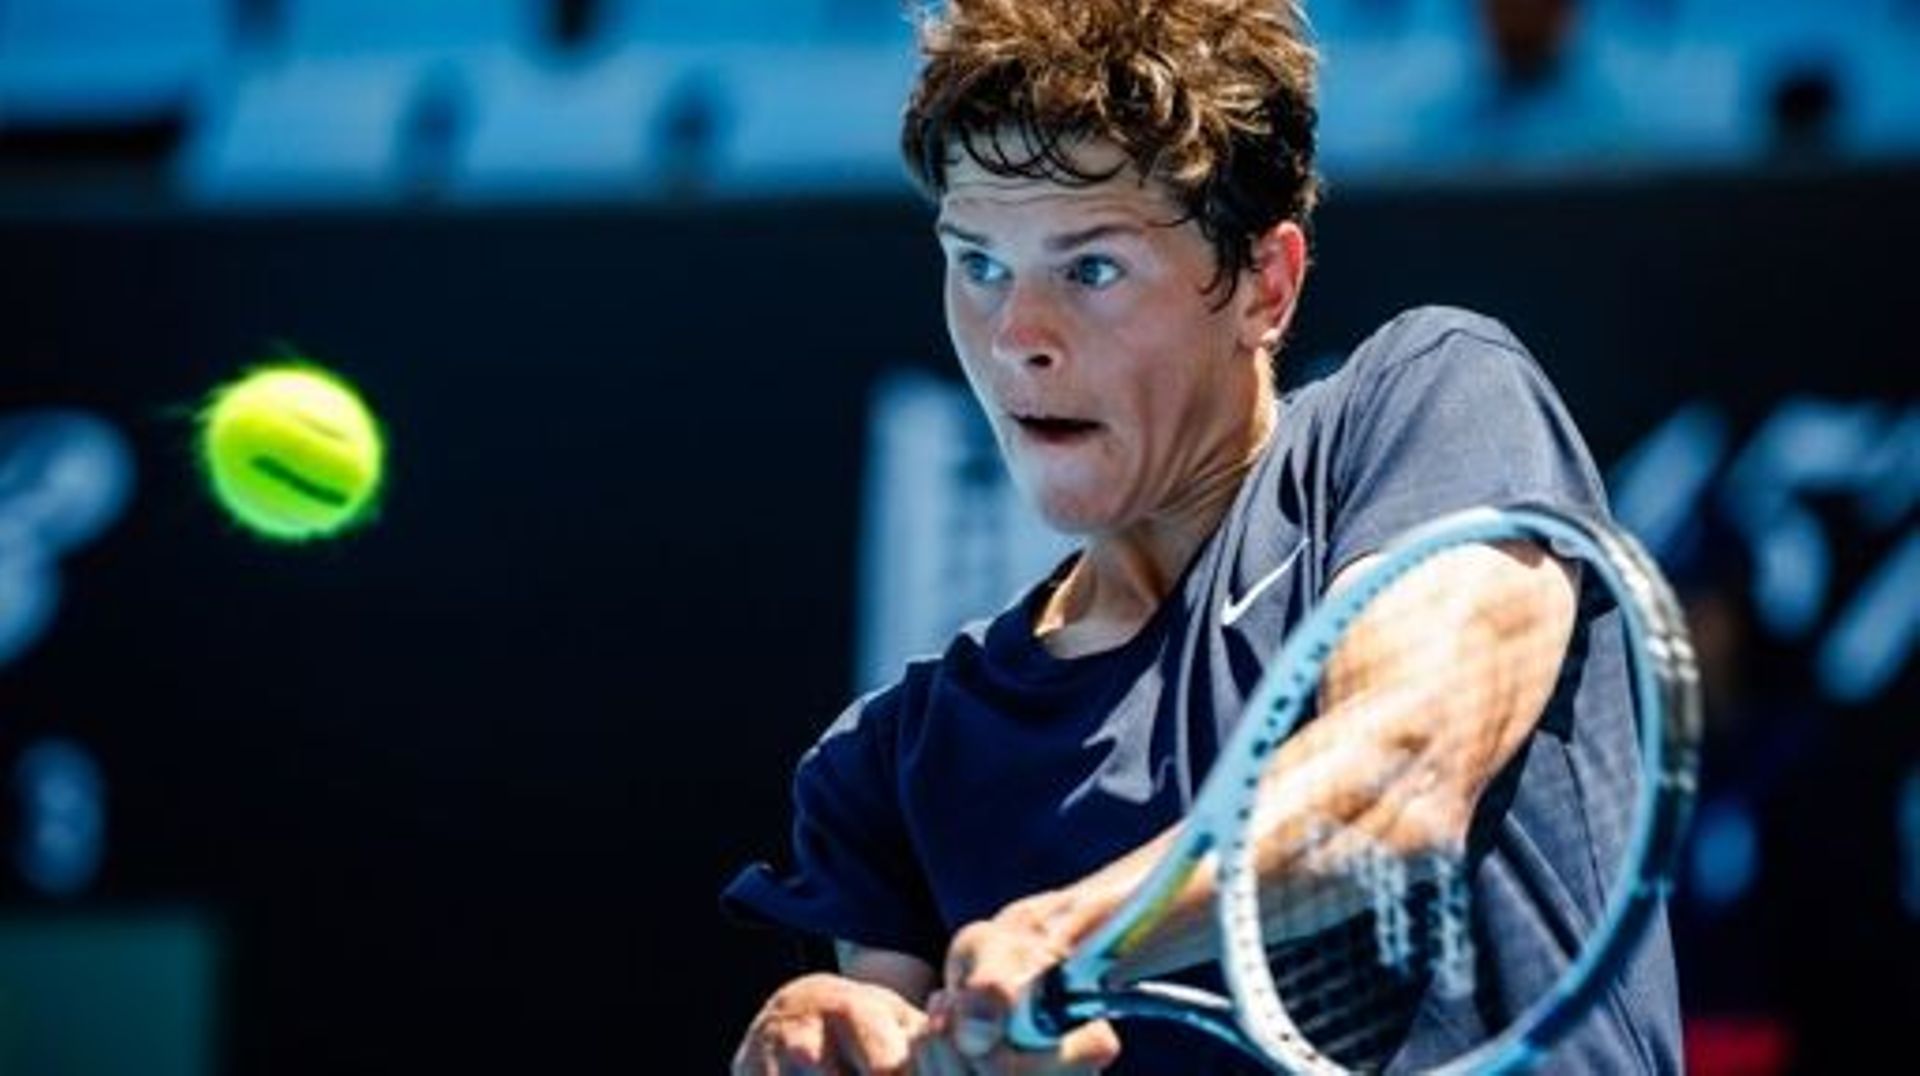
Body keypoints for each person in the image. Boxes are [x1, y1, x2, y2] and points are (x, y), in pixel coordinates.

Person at [723, 1, 1682, 1071]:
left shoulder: (1429, 403)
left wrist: (1071, 931)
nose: (1017, 337)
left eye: (1091, 268)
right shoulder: (890, 766)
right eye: (980, 263)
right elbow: (902, 1040)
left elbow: (1399, 777)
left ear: (1265, 286)